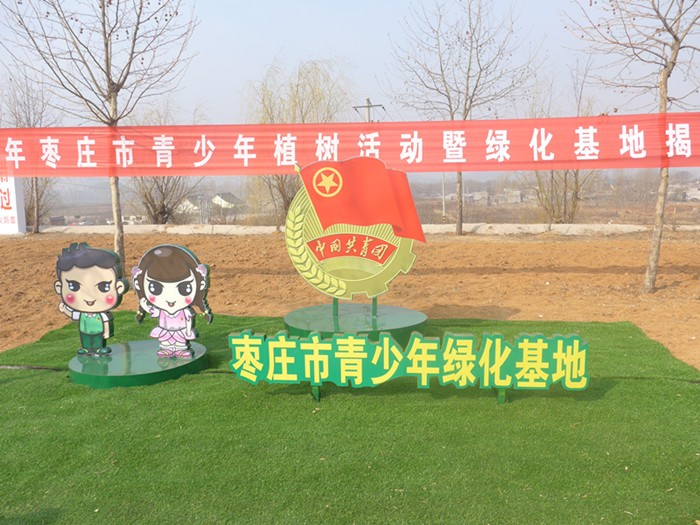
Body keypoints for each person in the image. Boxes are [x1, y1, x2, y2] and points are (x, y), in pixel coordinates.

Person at [132, 244, 212, 358]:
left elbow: (188, 320)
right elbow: (153, 311)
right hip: (165, 330)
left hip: (180, 331)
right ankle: (167, 349)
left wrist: (188, 331)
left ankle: (180, 350)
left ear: (201, 284)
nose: (170, 298)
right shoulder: (162, 311)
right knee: (166, 341)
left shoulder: (185, 311)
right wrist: (144, 306)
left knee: (180, 342)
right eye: (155, 288)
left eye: (184, 288)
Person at [54, 243, 128, 355]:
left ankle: (99, 348)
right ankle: (86, 348)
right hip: (84, 331)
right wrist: (65, 309)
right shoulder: (82, 314)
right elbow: (73, 314)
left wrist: (107, 334)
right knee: (86, 339)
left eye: (103, 287)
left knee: (97, 339)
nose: (89, 296)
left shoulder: (102, 315)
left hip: (98, 331)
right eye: (74, 286)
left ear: (119, 287)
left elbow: (107, 322)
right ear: (59, 287)